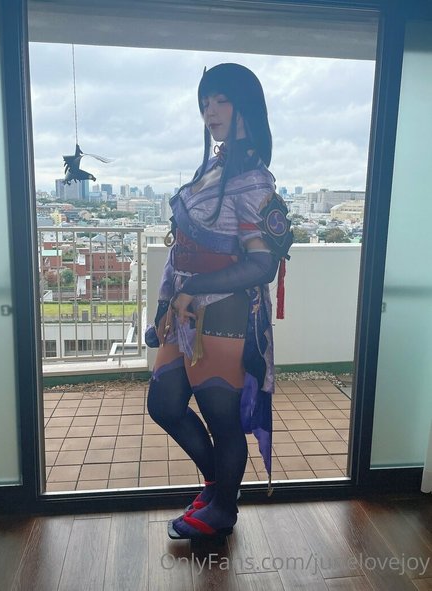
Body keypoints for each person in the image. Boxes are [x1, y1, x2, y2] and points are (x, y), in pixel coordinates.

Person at [146, 63, 281, 543]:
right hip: (184, 309)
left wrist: (192, 290)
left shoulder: (256, 181)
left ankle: (223, 508)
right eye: (205, 102)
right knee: (163, 404)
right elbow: (179, 248)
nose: (210, 111)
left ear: (247, 105)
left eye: (221, 100)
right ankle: (216, 484)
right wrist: (164, 304)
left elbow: (262, 265)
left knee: (223, 423)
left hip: (224, 314)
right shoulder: (211, 169)